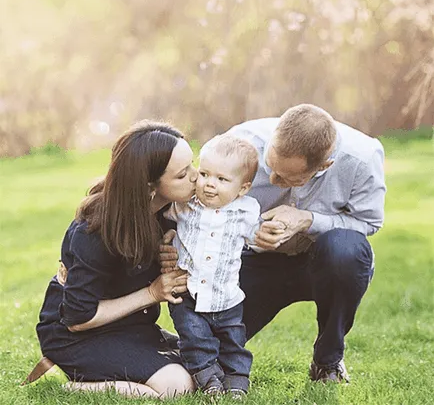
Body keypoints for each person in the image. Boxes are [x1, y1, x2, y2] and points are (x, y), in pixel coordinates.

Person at [161, 104, 386, 383]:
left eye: (286, 178)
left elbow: (369, 223)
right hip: (250, 261)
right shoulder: (240, 144)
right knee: (209, 362)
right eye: (271, 166)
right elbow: (192, 197)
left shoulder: (362, 158)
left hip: (321, 262)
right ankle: (178, 344)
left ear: (324, 166)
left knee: (346, 251)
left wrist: (307, 220)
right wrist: (171, 234)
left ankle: (327, 361)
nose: (271, 179)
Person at [30, 120, 198, 398]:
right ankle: (78, 388)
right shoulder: (95, 231)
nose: (196, 177)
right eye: (182, 175)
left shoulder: (169, 213)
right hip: (77, 336)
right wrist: (153, 292)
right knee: (176, 386)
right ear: (148, 186)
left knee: (206, 364)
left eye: (193, 164)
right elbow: (77, 318)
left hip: (131, 328)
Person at [164, 135, 273, 397]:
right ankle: (209, 380)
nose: (209, 184)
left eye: (222, 179)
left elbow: (258, 238)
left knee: (233, 342)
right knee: (194, 338)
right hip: (187, 293)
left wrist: (269, 233)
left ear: (243, 188)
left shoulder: (246, 211)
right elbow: (161, 217)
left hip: (226, 295)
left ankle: (236, 382)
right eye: (204, 174)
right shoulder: (184, 205)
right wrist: (165, 235)